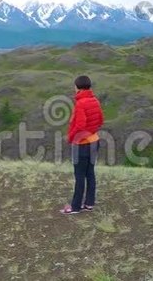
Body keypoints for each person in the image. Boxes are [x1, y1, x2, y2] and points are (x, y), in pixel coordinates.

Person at [60, 75, 104, 215]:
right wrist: (91, 131)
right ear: (89, 87)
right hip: (94, 141)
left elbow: (80, 125)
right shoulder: (95, 101)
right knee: (90, 173)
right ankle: (89, 204)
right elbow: (100, 120)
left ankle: (75, 207)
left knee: (79, 175)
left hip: (81, 144)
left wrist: (71, 137)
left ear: (77, 87)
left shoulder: (80, 103)